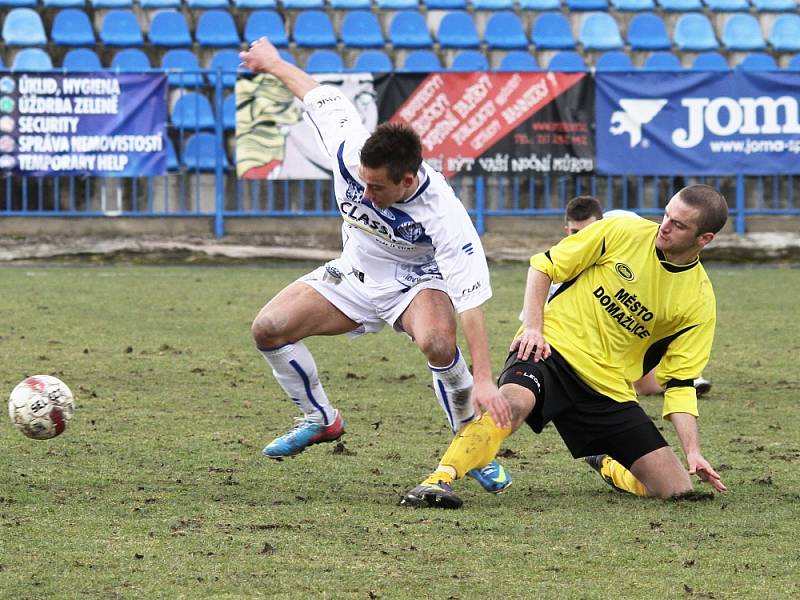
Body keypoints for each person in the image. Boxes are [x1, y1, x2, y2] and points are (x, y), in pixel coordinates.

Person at [238, 38, 512, 494]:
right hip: (355, 274)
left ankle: (470, 444)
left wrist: (484, 380)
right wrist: (272, 63)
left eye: (378, 188)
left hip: (417, 282)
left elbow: (472, 300)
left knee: (439, 343)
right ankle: (320, 418)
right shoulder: (350, 148)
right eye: (363, 183)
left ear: (408, 180)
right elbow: (314, 94)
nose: (366, 195)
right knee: (268, 328)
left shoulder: (444, 214)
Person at [401, 184, 729, 508]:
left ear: (705, 239)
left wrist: (692, 452)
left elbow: (681, 383)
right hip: (549, 349)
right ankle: (438, 479)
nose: (665, 226)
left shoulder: (698, 301)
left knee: (676, 489)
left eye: (679, 224)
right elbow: (543, 266)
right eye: (666, 215)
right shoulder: (622, 229)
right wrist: (533, 328)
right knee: (511, 406)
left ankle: (606, 464)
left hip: (607, 385)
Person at [556, 196, 713, 398]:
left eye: (589, 228)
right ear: (566, 230)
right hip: (592, 345)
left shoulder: (619, 225)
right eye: (576, 232)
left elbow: (649, 238)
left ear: (601, 221)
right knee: (641, 385)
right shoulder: (562, 264)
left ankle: (684, 378)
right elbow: (536, 313)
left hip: (634, 319)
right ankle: (669, 382)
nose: (585, 234)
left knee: (661, 319)